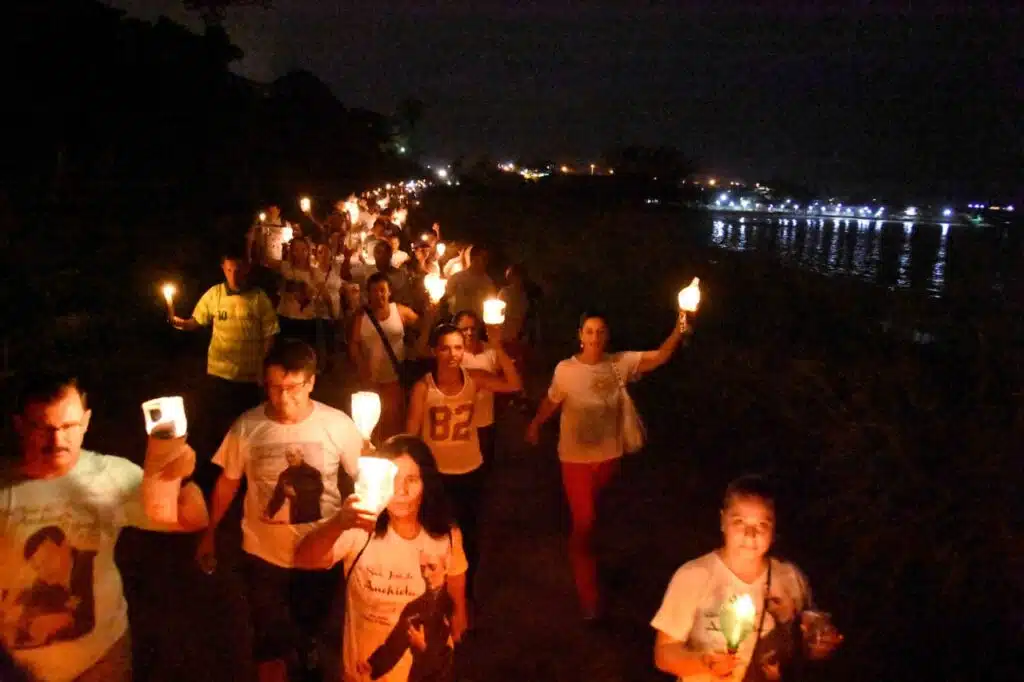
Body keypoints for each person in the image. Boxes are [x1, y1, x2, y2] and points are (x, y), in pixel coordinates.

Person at [1, 372, 208, 681]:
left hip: (100, 661)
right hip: (14, 668)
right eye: (43, 427)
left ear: (86, 421)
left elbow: (190, 520)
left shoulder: (109, 475)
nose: (57, 440)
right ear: (20, 425)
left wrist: (182, 476)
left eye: (69, 427)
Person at [196, 339, 364, 682]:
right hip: (263, 555)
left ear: (311, 382)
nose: (283, 398)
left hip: (319, 555)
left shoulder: (338, 425)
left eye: (292, 388)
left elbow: (364, 476)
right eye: (274, 388)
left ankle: (309, 650)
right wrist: (209, 533)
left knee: (311, 622)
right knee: (268, 641)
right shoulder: (248, 426)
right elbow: (229, 483)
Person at [526, 309, 691, 620]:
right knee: (584, 521)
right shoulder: (566, 370)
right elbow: (552, 400)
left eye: (600, 331)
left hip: (608, 457)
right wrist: (536, 422)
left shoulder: (620, 364)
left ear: (607, 336)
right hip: (574, 458)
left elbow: (659, 357)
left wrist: (679, 328)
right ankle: (589, 595)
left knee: (596, 517)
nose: (595, 337)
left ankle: (588, 553)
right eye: (589, 331)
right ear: (580, 335)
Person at [295, 435, 469, 682]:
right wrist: (338, 523)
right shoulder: (359, 531)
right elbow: (303, 558)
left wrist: (459, 611)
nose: (401, 491)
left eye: (412, 479)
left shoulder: (446, 534)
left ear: (426, 484)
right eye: (393, 480)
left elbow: (456, 573)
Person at [651, 475, 843, 681]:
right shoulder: (694, 576)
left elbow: (804, 643)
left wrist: (820, 645)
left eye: (762, 525)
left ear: (774, 528)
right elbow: (664, 654)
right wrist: (704, 663)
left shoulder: (790, 578)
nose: (750, 535)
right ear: (723, 521)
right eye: (739, 522)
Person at [406, 323, 521, 605]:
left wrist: (497, 344)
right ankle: (433, 588)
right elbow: (411, 433)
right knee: (435, 533)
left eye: (458, 347)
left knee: (469, 536)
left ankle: (463, 596)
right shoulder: (424, 388)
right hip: (437, 475)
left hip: (471, 471)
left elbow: (514, 383)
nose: (452, 354)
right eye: (445, 347)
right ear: (434, 351)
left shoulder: (475, 379)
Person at [171, 246, 279, 471]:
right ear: (223, 269)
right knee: (216, 422)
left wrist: (263, 367)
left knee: (247, 425)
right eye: (229, 270)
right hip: (219, 373)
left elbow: (270, 333)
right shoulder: (215, 294)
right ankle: (217, 468)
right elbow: (197, 321)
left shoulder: (259, 298)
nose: (234, 275)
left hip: (248, 375)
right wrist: (182, 324)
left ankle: (247, 466)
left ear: (247, 269)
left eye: (238, 270)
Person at [348, 273, 422, 442]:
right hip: (371, 380)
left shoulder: (400, 311)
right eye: (374, 291)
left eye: (382, 290)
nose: (378, 295)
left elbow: (421, 327)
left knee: (394, 420)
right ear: (368, 293)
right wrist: (361, 367)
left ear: (389, 292)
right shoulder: (361, 317)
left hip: (394, 379)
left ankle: (392, 450)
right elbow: (354, 344)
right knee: (372, 422)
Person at [452, 310, 501, 473]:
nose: (469, 332)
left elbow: (509, 381)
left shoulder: (491, 351)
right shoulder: (452, 355)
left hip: (485, 422)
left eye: (473, 328)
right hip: (460, 425)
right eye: (464, 329)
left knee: (485, 470)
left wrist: (497, 344)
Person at [275, 237, 322, 352]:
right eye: (296, 249)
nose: (300, 253)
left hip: (306, 319)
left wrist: (311, 294)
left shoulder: (314, 272)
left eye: (303, 249)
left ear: (308, 251)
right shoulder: (285, 268)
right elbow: (264, 260)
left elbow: (320, 295)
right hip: (286, 317)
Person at [445, 245, 495, 318]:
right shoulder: (457, 278)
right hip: (460, 322)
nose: (486, 262)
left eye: (487, 259)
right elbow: (447, 299)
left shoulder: (488, 282)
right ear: (473, 258)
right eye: (483, 258)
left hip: (479, 323)